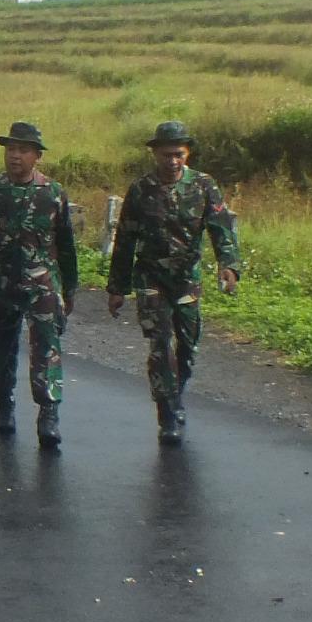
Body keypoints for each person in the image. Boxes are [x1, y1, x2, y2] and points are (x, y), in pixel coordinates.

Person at [107, 120, 242, 445]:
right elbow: (125, 241)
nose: (172, 161)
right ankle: (166, 412)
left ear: (188, 154)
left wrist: (229, 266)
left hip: (186, 280)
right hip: (151, 278)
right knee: (160, 344)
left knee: (188, 345)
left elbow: (221, 227)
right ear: (155, 153)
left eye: (178, 155)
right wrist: (117, 288)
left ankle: (176, 394)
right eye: (166, 155)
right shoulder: (141, 190)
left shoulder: (203, 186)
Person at [0, 121, 79, 450]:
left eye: (23, 150)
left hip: (43, 285)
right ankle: (4, 402)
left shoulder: (53, 194)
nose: (15, 156)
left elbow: (66, 245)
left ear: (37, 156)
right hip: (0, 285)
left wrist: (69, 289)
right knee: (1, 348)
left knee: (47, 348)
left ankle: (49, 412)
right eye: (10, 149)